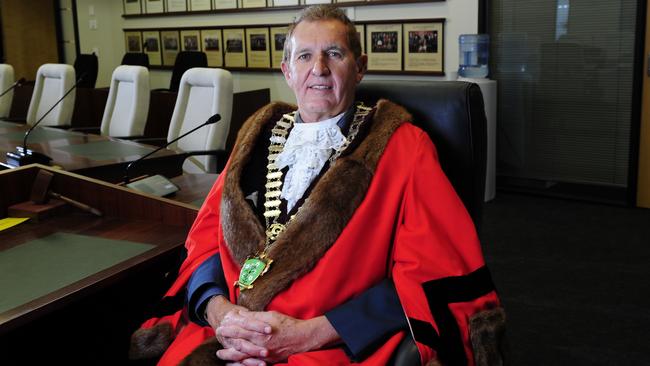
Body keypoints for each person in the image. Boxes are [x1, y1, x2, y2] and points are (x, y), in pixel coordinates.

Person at [130, 5, 505, 366]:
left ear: (359, 68)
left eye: (334, 53)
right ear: (287, 71)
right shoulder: (255, 137)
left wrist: (309, 333)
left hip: (326, 345)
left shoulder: (404, 146)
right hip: (227, 335)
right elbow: (207, 241)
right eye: (304, 56)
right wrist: (219, 312)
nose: (319, 69)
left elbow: (430, 272)